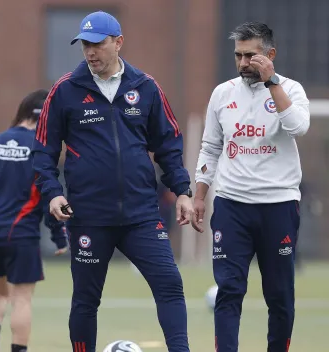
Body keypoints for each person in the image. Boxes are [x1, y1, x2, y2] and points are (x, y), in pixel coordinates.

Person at [32, 11, 194, 352]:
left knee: (170, 285)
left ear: (118, 42)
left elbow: (168, 144)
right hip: (89, 217)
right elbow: (43, 152)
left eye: (98, 44)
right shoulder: (64, 90)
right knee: (86, 300)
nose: (91, 52)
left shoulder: (146, 87)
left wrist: (181, 191)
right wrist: (52, 193)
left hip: (141, 217)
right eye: (85, 45)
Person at [192, 22, 310, 351]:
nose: (243, 63)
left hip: (279, 205)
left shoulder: (291, 89)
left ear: (270, 55)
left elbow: (298, 127)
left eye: (251, 56)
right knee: (229, 290)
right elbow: (210, 148)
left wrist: (271, 81)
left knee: (280, 295)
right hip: (232, 206)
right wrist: (200, 195)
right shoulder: (222, 93)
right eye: (238, 56)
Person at [0, 89, 69, 352]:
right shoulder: (41, 150)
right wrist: (58, 236)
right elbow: (49, 197)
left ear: (21, 111)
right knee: (22, 298)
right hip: (21, 235)